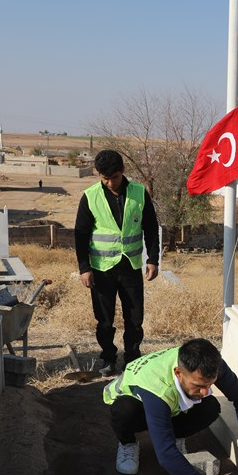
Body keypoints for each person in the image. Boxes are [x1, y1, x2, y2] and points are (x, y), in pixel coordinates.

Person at [104, 338, 238, 475]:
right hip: (134, 404)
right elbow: (165, 454)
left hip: (168, 399)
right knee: (125, 410)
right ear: (178, 373)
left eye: (210, 384)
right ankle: (128, 443)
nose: (205, 391)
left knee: (210, 407)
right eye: (199, 386)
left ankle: (177, 434)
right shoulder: (157, 388)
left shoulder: (210, 364)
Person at [74, 149, 160, 376]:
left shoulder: (139, 193)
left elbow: (150, 228)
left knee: (135, 318)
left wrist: (152, 259)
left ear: (122, 172)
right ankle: (108, 358)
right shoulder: (90, 196)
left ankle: (132, 359)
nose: (110, 182)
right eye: (105, 178)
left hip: (130, 266)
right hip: (102, 269)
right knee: (104, 320)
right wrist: (84, 268)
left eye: (114, 177)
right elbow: (80, 235)